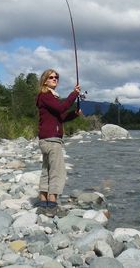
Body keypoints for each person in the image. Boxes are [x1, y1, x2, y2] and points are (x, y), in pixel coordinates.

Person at [36, 68, 82, 217]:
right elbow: (61, 107)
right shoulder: (45, 95)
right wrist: (74, 94)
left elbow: (59, 117)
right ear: (45, 80)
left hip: (46, 139)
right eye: (51, 77)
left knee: (47, 171)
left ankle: (43, 204)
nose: (55, 79)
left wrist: (74, 114)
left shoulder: (49, 97)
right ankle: (52, 206)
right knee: (57, 172)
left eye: (56, 77)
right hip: (51, 140)